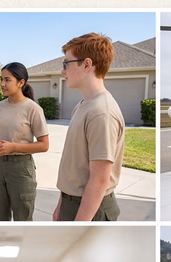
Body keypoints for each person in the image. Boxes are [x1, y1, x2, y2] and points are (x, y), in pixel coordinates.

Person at [53, 33, 125, 221]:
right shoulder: (83, 105)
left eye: (66, 64)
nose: (62, 71)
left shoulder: (101, 112)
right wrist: (61, 205)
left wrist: (79, 228)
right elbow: (73, 167)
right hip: (72, 204)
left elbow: (99, 180)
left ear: (86, 64)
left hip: (91, 210)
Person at [0, 62, 50, 221]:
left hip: (21, 169)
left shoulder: (33, 109)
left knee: (23, 219)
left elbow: (44, 145)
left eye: (7, 80)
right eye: (1, 79)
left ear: (21, 82)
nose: (2, 84)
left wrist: (13, 147)